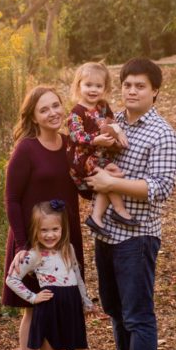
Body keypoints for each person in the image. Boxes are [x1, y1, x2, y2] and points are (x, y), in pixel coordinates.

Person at [87, 58, 176, 350]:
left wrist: (113, 186)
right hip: (107, 232)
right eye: (127, 85)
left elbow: (161, 188)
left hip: (138, 237)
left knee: (138, 316)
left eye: (140, 86)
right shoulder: (113, 123)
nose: (132, 91)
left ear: (155, 90)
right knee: (113, 307)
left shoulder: (163, 134)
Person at [3, 86, 86, 350]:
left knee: (65, 302)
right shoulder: (26, 150)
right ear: (33, 117)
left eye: (56, 106)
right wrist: (24, 245)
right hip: (33, 242)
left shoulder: (70, 145)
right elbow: (11, 199)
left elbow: (82, 183)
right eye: (44, 109)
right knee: (35, 308)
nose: (53, 113)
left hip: (65, 240)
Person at [5, 199, 113, 350]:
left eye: (55, 229)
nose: (50, 235)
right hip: (49, 310)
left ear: (62, 229)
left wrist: (86, 302)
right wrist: (33, 298)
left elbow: (77, 275)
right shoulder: (33, 255)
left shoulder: (68, 249)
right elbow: (12, 279)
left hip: (71, 309)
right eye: (44, 230)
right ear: (36, 230)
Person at [66, 61, 134, 234]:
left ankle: (96, 217)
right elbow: (76, 135)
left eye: (98, 85)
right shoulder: (77, 112)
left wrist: (118, 132)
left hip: (99, 157)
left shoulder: (102, 107)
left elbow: (112, 122)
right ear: (78, 85)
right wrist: (96, 139)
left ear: (105, 88)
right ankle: (120, 210)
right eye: (88, 85)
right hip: (81, 159)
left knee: (115, 173)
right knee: (110, 176)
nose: (93, 90)